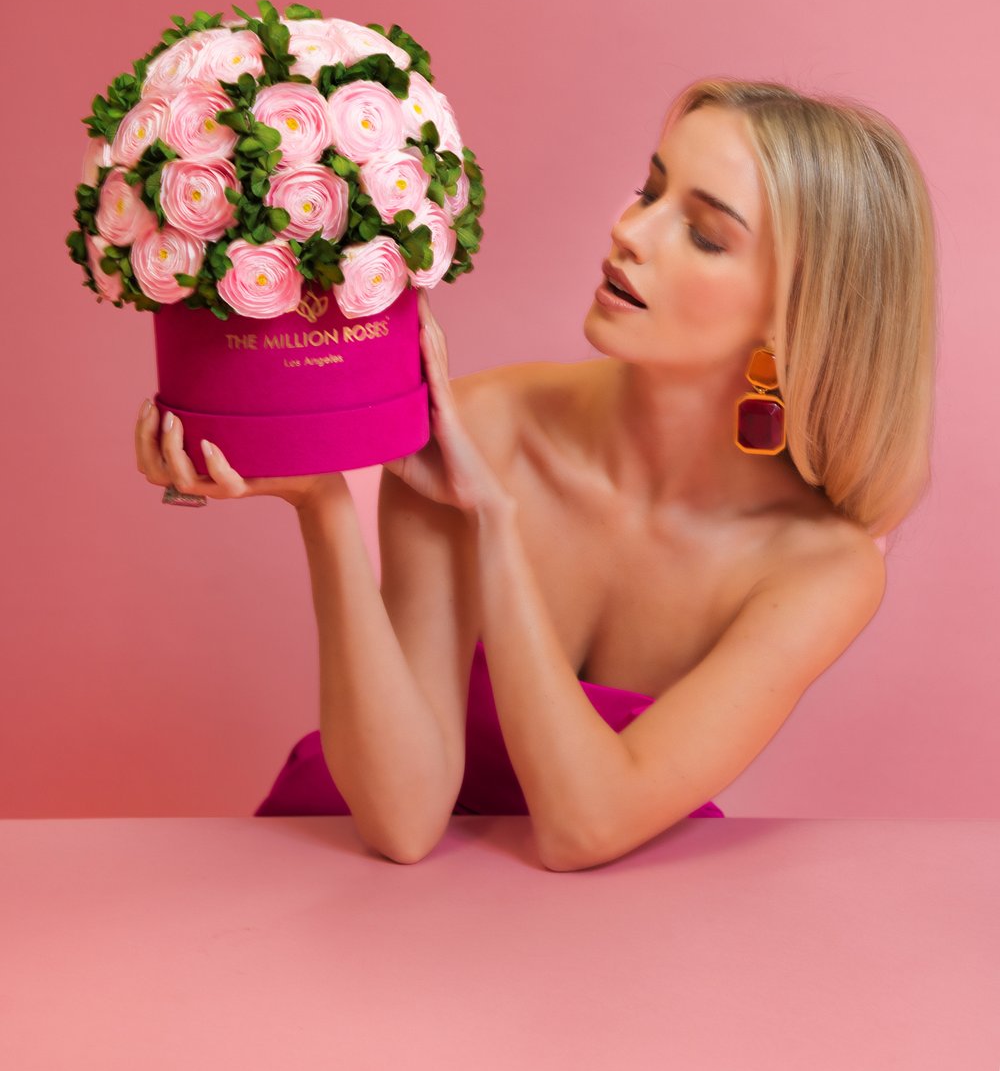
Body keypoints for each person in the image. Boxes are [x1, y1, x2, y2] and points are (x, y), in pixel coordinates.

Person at [135, 76, 938, 868]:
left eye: (704, 234)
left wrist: (497, 524)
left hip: (612, 925)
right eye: (648, 190)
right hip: (357, 888)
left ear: (796, 314)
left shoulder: (819, 570)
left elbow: (584, 827)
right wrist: (323, 507)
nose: (631, 230)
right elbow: (402, 822)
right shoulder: (480, 429)